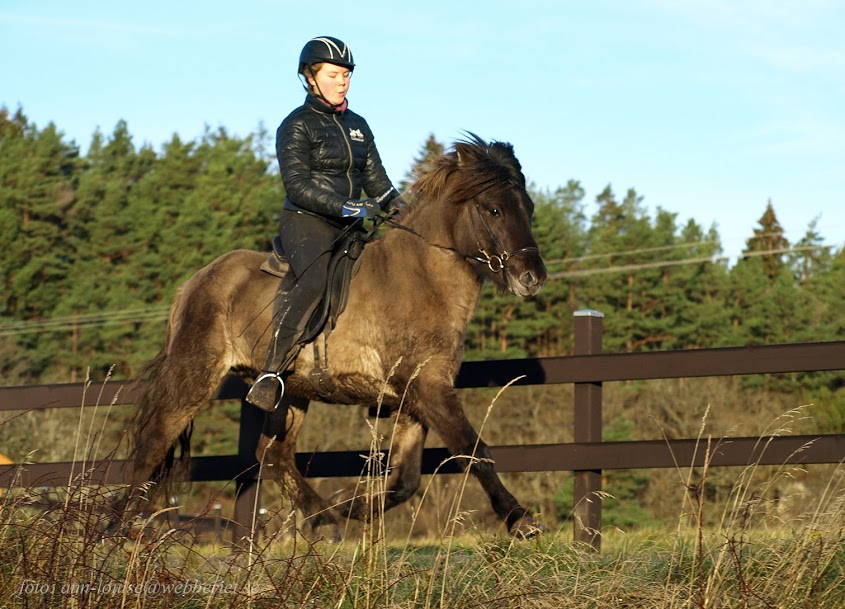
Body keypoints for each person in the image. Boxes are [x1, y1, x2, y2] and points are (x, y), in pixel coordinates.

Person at [247, 36, 402, 412]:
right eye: (334, 74)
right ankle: (272, 372)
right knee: (315, 279)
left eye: (346, 75)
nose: (343, 81)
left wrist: (402, 209)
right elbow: (297, 187)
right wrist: (348, 207)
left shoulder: (359, 126)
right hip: (307, 221)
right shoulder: (295, 125)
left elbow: (378, 184)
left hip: (350, 225)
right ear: (310, 77)